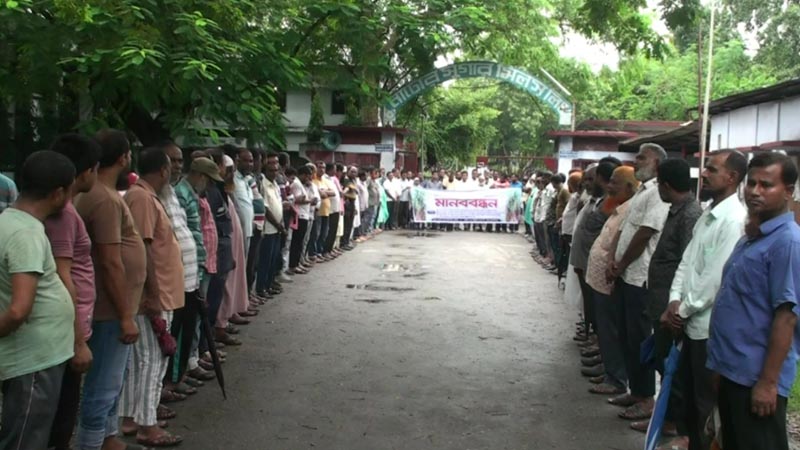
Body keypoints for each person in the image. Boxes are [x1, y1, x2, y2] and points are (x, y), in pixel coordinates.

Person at [706, 152, 800, 450]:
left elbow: (786, 317)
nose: (755, 191)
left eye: (766, 185)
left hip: (755, 378)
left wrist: (768, 383)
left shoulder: (788, 243)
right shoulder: (753, 235)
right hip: (732, 369)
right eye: (752, 183)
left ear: (788, 191)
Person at [657, 151, 747, 449]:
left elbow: (715, 278)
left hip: (707, 327)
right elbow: (687, 261)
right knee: (690, 399)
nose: (704, 173)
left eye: (711, 169)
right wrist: (674, 300)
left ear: (732, 177)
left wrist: (681, 309)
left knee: (706, 403)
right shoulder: (709, 214)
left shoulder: (734, 220)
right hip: (687, 319)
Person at [75, 129, 146, 450]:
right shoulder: (103, 199)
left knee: (111, 381)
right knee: (103, 384)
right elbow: (110, 262)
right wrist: (126, 316)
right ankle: (91, 442)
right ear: (123, 157)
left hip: (113, 306)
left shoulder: (102, 195)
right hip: (109, 309)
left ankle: (106, 437)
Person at [0, 151, 76, 450]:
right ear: (58, 193)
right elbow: (19, 308)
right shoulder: (25, 234)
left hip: (38, 355)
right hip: (33, 360)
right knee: (25, 438)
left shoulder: (11, 222)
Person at [630, 158, 703, 435]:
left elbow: (688, 262)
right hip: (660, 300)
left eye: (659, 183)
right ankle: (668, 418)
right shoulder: (676, 210)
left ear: (666, 185)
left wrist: (677, 306)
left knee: (673, 368)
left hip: (671, 307)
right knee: (663, 362)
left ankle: (675, 424)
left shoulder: (690, 215)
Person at [121, 147, 184, 447]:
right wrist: (153, 294)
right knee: (151, 360)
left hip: (159, 292)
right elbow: (141, 248)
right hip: (153, 296)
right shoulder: (142, 198)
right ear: (163, 170)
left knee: (142, 360)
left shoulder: (144, 196)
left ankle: (133, 417)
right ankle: (147, 424)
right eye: (171, 165)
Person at [45, 134, 101, 450]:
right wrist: (79, 342)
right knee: (59, 416)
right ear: (85, 172)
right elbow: (62, 277)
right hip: (67, 332)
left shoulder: (66, 209)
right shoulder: (63, 214)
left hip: (69, 327)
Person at [607, 143, 670, 421]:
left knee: (639, 338)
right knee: (626, 335)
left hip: (639, 277)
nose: (636, 160)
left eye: (642, 157)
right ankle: (635, 389)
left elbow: (645, 233)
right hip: (624, 275)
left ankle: (646, 396)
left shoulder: (657, 193)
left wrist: (620, 264)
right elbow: (624, 229)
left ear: (656, 163)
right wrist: (613, 258)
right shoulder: (643, 191)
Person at [585, 165, 638, 396]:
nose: (609, 186)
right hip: (598, 279)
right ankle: (609, 370)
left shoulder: (628, 211)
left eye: (614, 182)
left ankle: (616, 377)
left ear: (628, 187)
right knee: (605, 328)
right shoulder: (616, 207)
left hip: (609, 281)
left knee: (611, 329)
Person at [160, 142, 201, 401]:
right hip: (172, 282)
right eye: (171, 161)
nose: (176, 166)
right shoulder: (151, 197)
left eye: (178, 161)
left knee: (185, 331)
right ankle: (170, 382)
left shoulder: (172, 193)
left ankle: (178, 377)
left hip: (189, 277)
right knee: (172, 335)